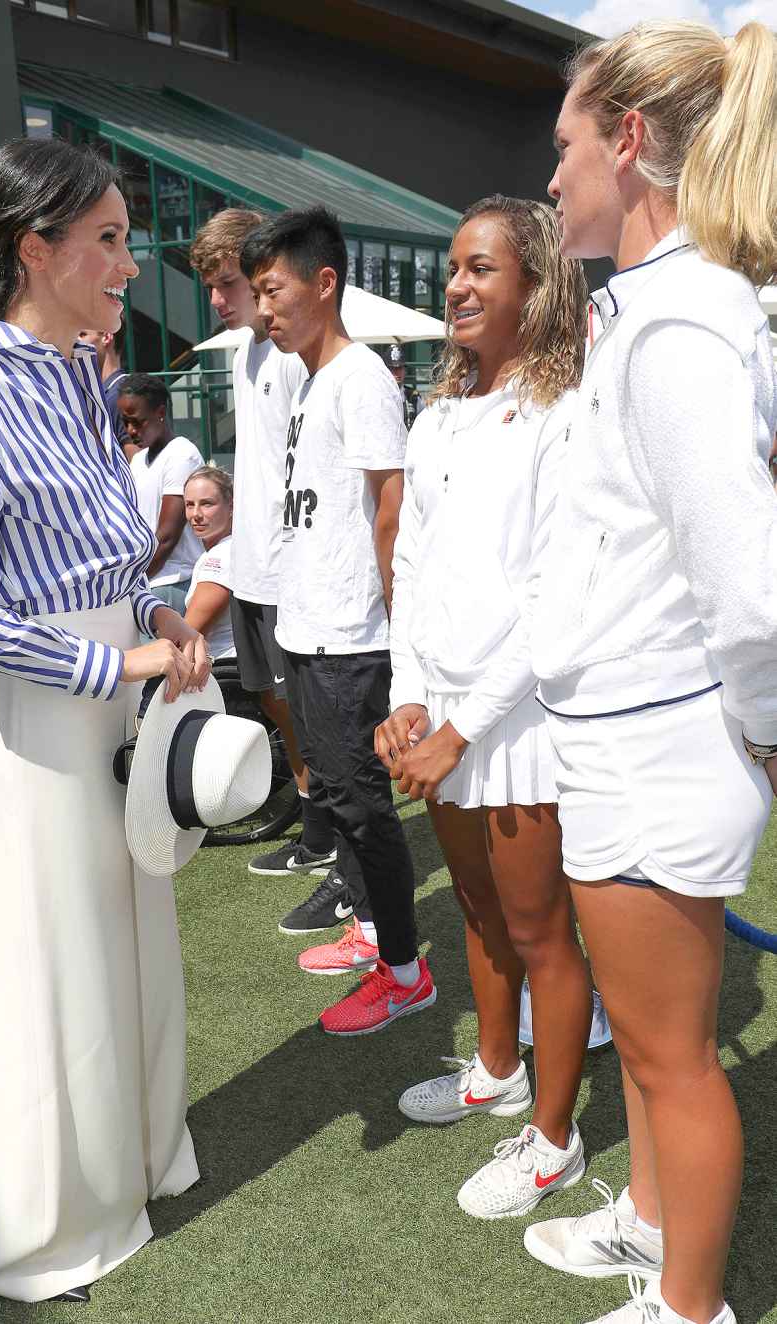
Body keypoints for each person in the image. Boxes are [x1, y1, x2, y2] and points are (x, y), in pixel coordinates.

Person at [0, 137, 211, 1304]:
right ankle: (53, 1223)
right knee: (62, 952)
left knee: (138, 927)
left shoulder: (86, 380)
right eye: (111, 239)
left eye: (129, 237)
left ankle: (137, 1161)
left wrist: (159, 613)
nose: (132, 264)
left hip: (123, 680)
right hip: (46, 712)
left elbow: (108, 557)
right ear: (37, 247)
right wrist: (111, 658)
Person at [522, 22, 777, 1324]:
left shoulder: (680, 327)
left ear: (628, 145)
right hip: (629, 734)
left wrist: (768, 735)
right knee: (651, 1035)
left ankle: (692, 1310)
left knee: (675, 1061)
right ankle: (650, 1224)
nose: (550, 177)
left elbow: (750, 584)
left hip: (661, 744)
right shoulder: (648, 315)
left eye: (563, 146)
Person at [376, 194, 593, 1215]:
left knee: (542, 929)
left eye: (480, 269)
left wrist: (463, 728)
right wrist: (409, 700)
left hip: (523, 722)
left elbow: (557, 597)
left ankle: (555, 1138)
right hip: (446, 722)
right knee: (474, 908)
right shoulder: (433, 413)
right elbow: (411, 565)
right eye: (453, 269)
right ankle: (497, 1070)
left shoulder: (564, 413)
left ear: (536, 285)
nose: (456, 286)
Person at [240, 205, 436, 1035]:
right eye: (256, 293)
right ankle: (369, 931)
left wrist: (399, 623)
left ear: (325, 283)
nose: (263, 311)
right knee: (337, 792)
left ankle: (405, 969)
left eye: (273, 291)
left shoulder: (359, 379)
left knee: (363, 805)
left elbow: (391, 504)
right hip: (309, 625)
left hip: (354, 635)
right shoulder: (314, 380)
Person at [189, 210, 345, 924]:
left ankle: (347, 862)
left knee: (319, 725)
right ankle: (316, 839)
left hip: (291, 577)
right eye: (216, 287)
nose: (220, 300)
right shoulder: (244, 354)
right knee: (286, 716)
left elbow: (312, 473)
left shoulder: (293, 356)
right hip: (252, 571)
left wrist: (297, 566)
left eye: (229, 285)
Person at [118, 372, 204, 616]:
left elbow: (166, 537)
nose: (131, 430)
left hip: (173, 584)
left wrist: (133, 581)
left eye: (138, 421)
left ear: (160, 413)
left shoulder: (181, 454)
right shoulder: (139, 460)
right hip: (146, 585)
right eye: (125, 422)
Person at [183, 465, 235, 659]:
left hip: (224, 671)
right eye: (189, 504)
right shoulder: (224, 550)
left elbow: (188, 632)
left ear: (231, 506)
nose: (196, 514)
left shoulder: (221, 556)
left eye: (207, 504)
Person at [77, 322, 131, 453]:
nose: (75, 341)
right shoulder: (100, 393)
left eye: (82, 334)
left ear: (106, 337)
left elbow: (137, 464)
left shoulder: (123, 394)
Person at [385, 342, 423, 430]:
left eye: (400, 368)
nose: (397, 373)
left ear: (404, 370)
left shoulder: (413, 397)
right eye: (392, 369)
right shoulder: (379, 395)